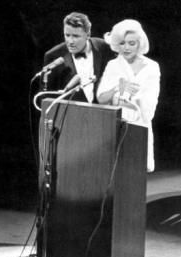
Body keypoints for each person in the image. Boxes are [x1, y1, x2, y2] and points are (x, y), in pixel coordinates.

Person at [97, 19, 161, 172]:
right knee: (114, 172)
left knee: (135, 174)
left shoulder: (152, 67)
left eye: (131, 43)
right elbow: (101, 98)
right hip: (115, 126)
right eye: (122, 43)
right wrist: (116, 89)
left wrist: (131, 97)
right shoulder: (113, 65)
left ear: (140, 44)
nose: (126, 48)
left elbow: (149, 107)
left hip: (139, 127)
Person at [41, 12, 114, 103]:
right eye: (67, 35)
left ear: (88, 34)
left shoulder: (104, 47)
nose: (70, 41)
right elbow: (46, 100)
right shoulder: (53, 56)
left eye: (76, 36)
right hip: (68, 115)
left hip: (100, 113)